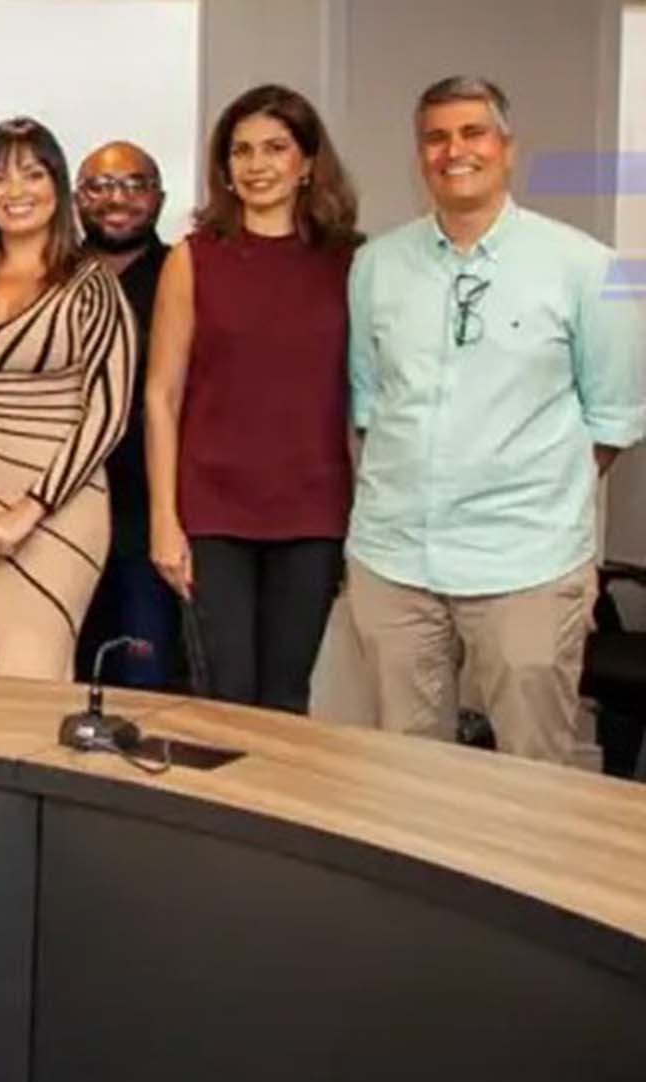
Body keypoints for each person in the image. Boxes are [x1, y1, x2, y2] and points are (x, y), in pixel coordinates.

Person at [345, 76, 644, 766]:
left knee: (531, 773)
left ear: (508, 148)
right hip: (394, 561)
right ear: (420, 154)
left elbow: (613, 420)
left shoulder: (588, 267)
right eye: (436, 136)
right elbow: (370, 405)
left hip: (527, 562)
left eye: (472, 132)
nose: (455, 150)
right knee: (406, 770)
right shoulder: (376, 267)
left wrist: (526, 484)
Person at [143, 88, 360, 714]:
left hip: (313, 513)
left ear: (308, 163)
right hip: (212, 514)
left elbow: (367, 401)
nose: (256, 165)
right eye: (241, 151)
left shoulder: (349, 263)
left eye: (275, 148)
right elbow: (161, 395)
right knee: (225, 697)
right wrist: (164, 519)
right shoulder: (194, 258)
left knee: (287, 698)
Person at [0, 118, 137, 681]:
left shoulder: (91, 283)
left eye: (32, 174)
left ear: (58, 186)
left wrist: (27, 513)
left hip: (58, 511)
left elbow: (108, 412)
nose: (14, 191)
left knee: (31, 675)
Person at [73, 139, 180, 690]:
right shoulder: (52, 277)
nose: (117, 199)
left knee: (147, 685)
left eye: (134, 184)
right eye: (99, 185)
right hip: (56, 515)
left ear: (159, 197)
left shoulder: (183, 275)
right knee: (55, 683)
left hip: (147, 520)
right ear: (75, 198)